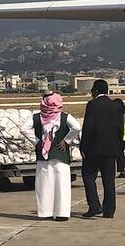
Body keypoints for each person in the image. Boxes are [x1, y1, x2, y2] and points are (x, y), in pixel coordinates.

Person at [21, 93, 81, 221]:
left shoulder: (36, 117)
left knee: (44, 185)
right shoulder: (65, 117)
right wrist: (67, 140)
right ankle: (62, 213)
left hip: (44, 156)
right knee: (62, 185)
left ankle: (45, 212)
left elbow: (24, 129)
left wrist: (36, 141)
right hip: (61, 156)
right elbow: (77, 127)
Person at [80, 79, 125, 218]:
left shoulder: (92, 105)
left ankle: (94, 205)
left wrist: (83, 146)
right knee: (109, 180)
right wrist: (119, 148)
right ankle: (109, 210)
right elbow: (120, 129)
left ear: (96, 90)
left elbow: (88, 127)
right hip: (111, 149)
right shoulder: (116, 106)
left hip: (94, 149)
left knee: (88, 176)